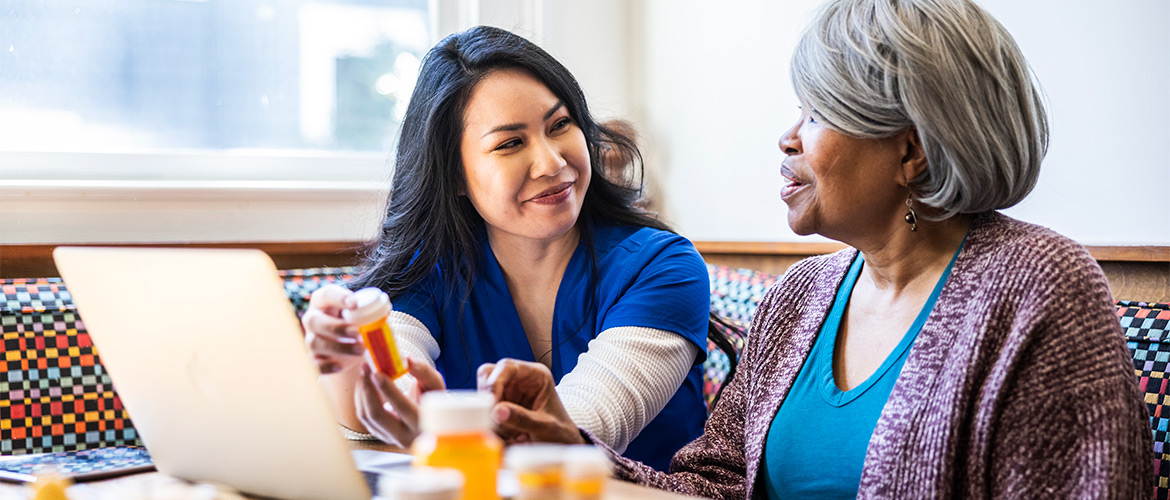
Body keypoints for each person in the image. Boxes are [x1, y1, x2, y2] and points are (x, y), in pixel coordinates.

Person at [478, 0, 1155, 497]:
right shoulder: (797, 298)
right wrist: (567, 445)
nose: (787, 137)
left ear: (911, 148)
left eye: (817, 112)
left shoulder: (1040, 287)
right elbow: (713, 486)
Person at [300, 25, 710, 471]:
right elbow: (385, 397)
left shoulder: (664, 267)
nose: (552, 162)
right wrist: (343, 359)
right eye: (510, 143)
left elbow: (571, 434)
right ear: (454, 175)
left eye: (560, 125)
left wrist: (439, 425)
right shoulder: (432, 272)